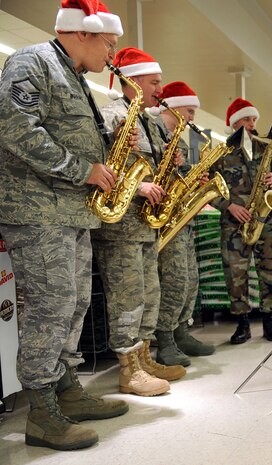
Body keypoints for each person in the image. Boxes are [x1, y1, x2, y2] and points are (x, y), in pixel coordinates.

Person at [0, 0, 128, 450]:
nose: (112, 52)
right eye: (109, 43)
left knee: (73, 305)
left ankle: (65, 389)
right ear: (84, 33)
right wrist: (82, 169)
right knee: (50, 306)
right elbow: (15, 128)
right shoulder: (31, 60)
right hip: (36, 211)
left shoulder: (74, 76)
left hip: (71, 211)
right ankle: (41, 412)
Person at [93, 47, 186, 397]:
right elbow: (102, 162)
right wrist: (139, 186)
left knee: (149, 292)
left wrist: (170, 161)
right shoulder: (110, 114)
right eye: (154, 82)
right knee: (127, 296)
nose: (159, 90)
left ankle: (144, 359)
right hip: (120, 224)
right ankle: (128, 370)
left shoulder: (148, 119)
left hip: (145, 224)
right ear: (133, 81)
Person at [209, 98, 272, 344]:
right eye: (246, 119)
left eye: (254, 119)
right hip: (234, 224)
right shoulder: (221, 153)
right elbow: (210, 190)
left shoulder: (267, 150)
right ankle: (242, 324)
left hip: (265, 222)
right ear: (235, 123)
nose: (252, 124)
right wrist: (229, 206)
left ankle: (269, 321)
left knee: (270, 271)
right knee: (235, 274)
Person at [152, 81, 215, 366]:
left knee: (189, 280)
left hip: (182, 219)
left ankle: (181, 331)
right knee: (174, 280)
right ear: (174, 106)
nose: (191, 118)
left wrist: (192, 177)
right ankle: (165, 339)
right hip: (164, 221)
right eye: (189, 111)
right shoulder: (152, 130)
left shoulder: (175, 138)